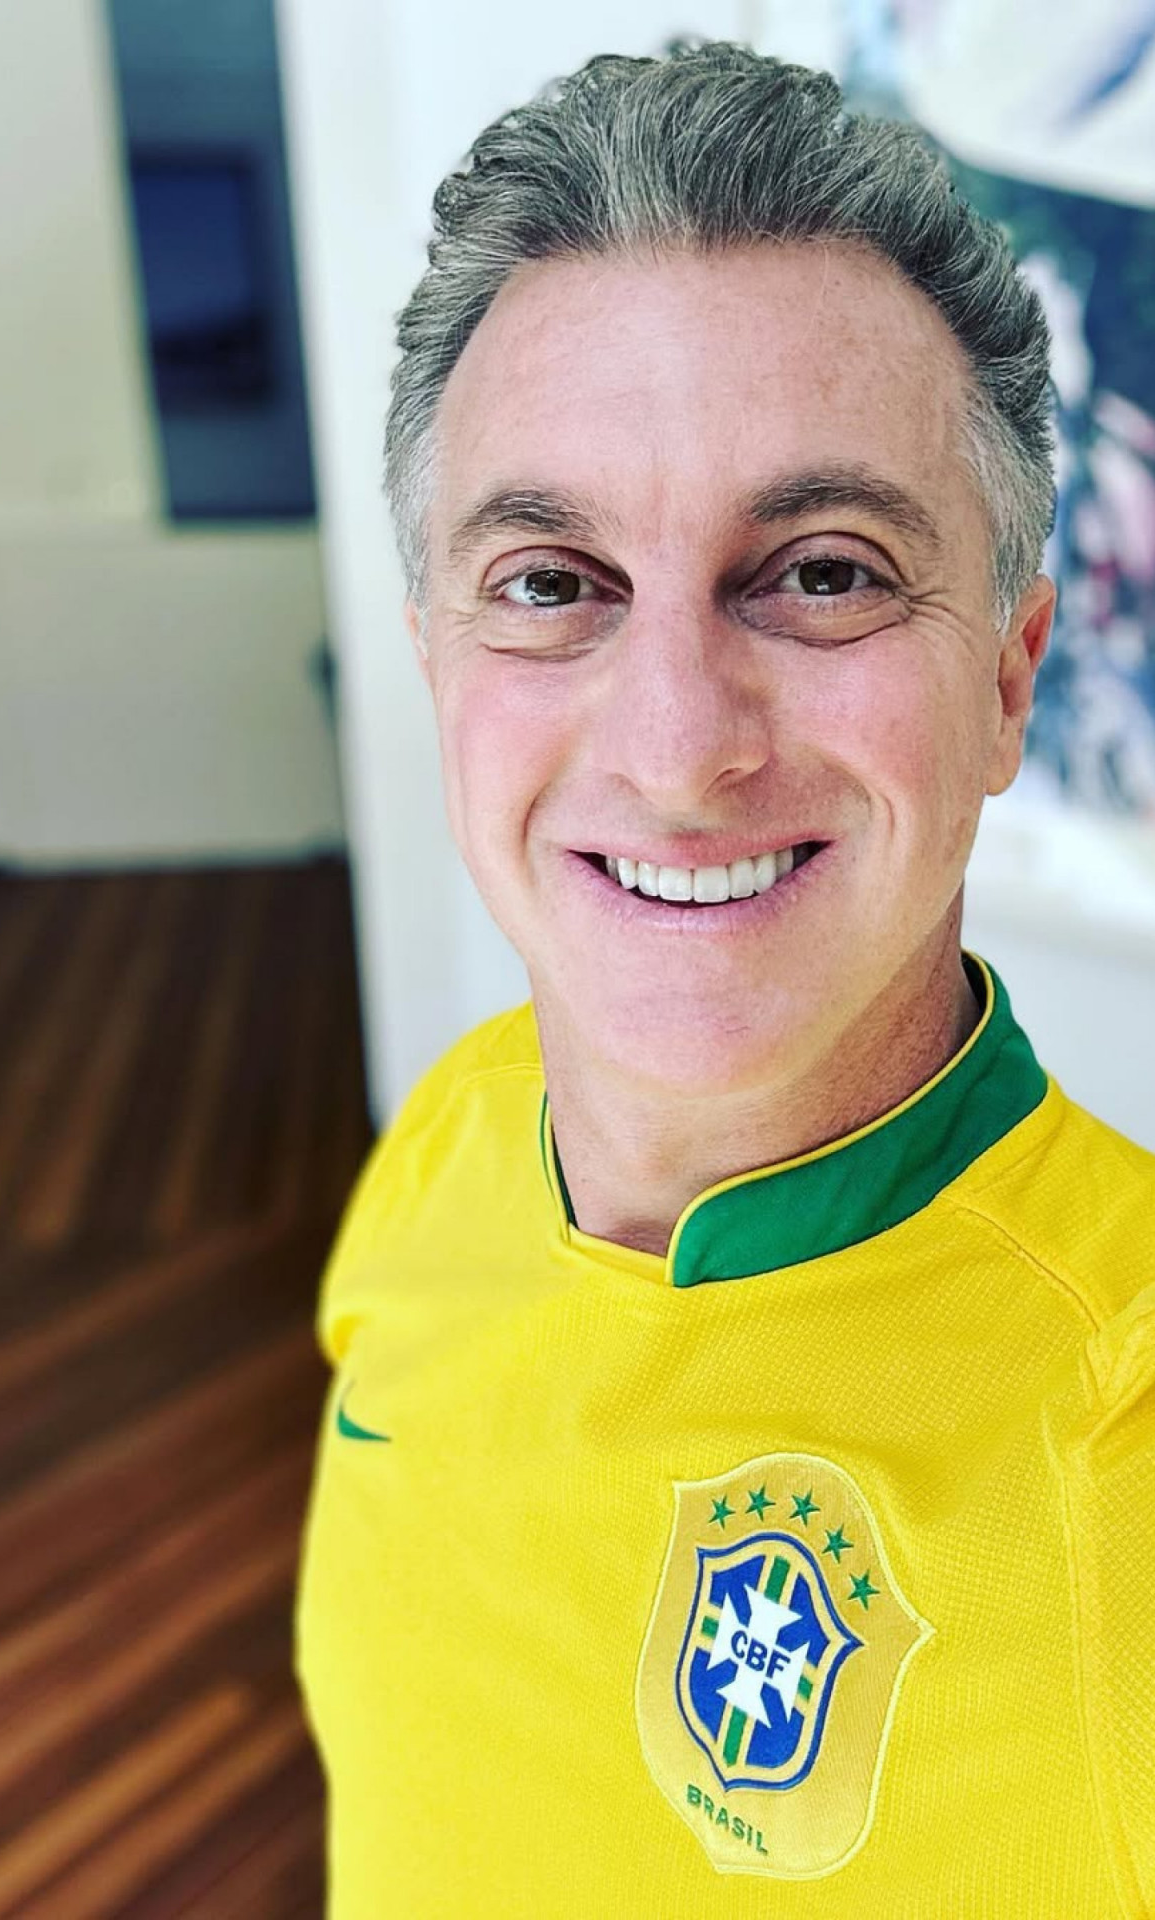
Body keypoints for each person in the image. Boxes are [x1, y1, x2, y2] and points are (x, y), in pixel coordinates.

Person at [296, 42, 1155, 1916]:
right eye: (552, 583)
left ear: (1009, 677)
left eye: (824, 573)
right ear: (438, 657)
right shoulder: (444, 1142)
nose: (680, 749)